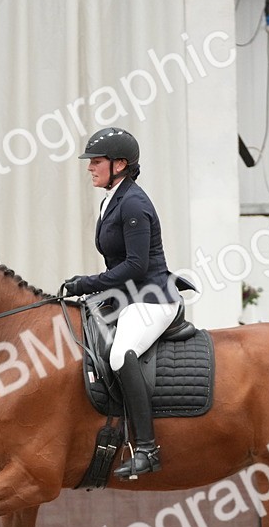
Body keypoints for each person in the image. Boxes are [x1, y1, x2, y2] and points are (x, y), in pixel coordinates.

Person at [63, 127, 182, 479]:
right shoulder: (112, 198)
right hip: (127, 295)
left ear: (120, 164)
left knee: (119, 354)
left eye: (96, 162)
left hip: (152, 298)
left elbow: (136, 266)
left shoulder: (133, 203)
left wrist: (86, 283)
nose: (90, 168)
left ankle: (147, 448)